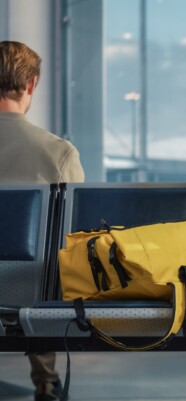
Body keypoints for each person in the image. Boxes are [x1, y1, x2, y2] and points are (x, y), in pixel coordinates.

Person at [0, 40, 84, 401]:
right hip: (31, 287)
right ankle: (46, 383)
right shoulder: (59, 153)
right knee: (46, 265)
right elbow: (74, 233)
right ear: (31, 84)